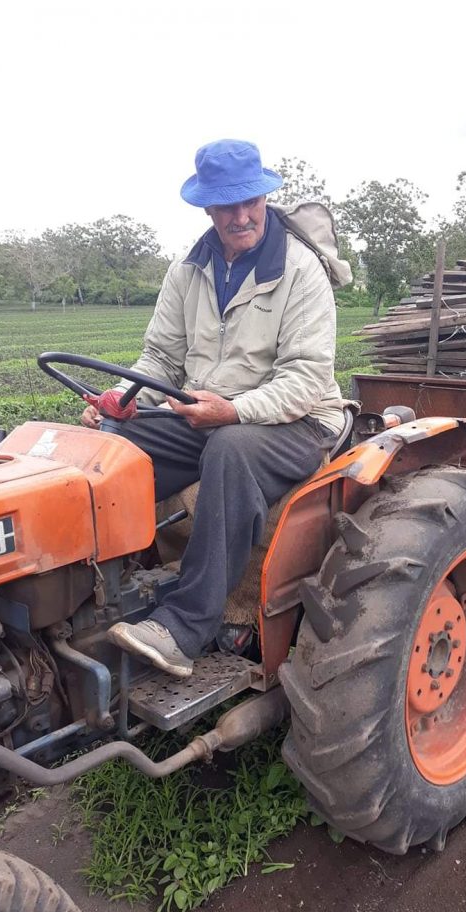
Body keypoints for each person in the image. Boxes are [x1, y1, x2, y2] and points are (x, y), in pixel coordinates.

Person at [81, 139, 346, 679]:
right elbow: (160, 357)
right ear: (208, 207)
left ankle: (184, 627)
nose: (242, 215)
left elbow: (305, 377)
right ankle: (85, 593)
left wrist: (235, 410)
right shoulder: (188, 269)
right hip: (204, 413)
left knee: (231, 448)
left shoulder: (300, 269)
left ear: (266, 197)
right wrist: (126, 402)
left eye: (251, 201)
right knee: (109, 445)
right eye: (228, 205)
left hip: (298, 420)